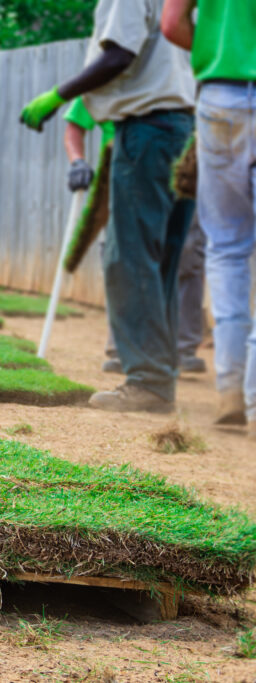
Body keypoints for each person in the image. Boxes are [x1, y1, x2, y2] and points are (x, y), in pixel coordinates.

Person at [21, 0, 195, 414]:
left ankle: (148, 382)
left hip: (146, 129)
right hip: (183, 129)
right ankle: (159, 377)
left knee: (129, 257)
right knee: (162, 259)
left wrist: (58, 93)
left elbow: (120, 54)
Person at [163, 0, 256, 439]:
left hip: (218, 97)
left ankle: (231, 392)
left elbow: (172, 24)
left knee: (226, 248)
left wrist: (218, 52)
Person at [63, 97, 208, 376]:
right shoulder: (111, 76)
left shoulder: (180, 71)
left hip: (182, 168)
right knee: (124, 261)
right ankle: (122, 348)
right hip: (126, 171)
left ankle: (181, 348)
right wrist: (77, 161)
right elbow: (74, 123)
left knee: (186, 257)